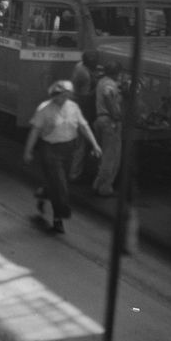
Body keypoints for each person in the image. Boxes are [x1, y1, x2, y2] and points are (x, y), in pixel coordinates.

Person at [23, 80, 102, 234]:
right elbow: (35, 132)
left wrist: (95, 144)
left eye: (66, 95)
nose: (62, 99)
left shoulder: (73, 108)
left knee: (60, 181)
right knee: (60, 184)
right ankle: (59, 217)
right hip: (50, 149)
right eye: (59, 96)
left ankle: (43, 192)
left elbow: (83, 126)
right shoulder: (44, 109)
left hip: (68, 148)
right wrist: (28, 151)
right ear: (53, 96)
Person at [91, 62, 124, 198]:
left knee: (105, 156)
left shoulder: (102, 81)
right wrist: (116, 115)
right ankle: (103, 187)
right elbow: (108, 95)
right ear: (116, 73)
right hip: (109, 122)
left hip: (100, 120)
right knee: (111, 157)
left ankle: (98, 185)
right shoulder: (109, 84)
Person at [69, 50, 100, 181]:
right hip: (81, 108)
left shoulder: (79, 65)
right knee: (81, 145)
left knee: (78, 143)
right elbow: (86, 96)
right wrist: (98, 86)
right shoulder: (85, 75)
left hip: (75, 106)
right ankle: (74, 174)